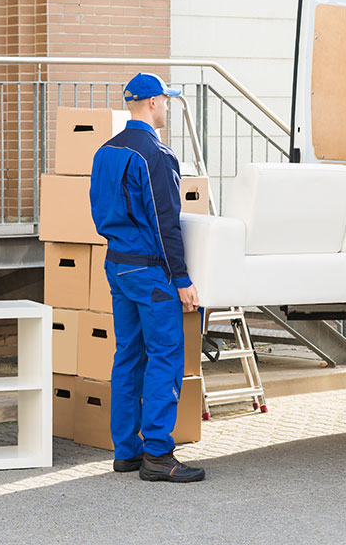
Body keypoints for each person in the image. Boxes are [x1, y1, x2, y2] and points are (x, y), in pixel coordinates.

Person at [90, 72, 205, 482]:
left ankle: (126, 451)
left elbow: (99, 211)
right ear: (154, 102)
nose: (168, 107)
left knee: (128, 355)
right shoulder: (155, 153)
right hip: (151, 271)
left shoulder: (105, 151)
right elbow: (165, 223)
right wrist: (182, 279)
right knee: (165, 356)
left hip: (117, 264)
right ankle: (158, 453)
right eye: (167, 100)